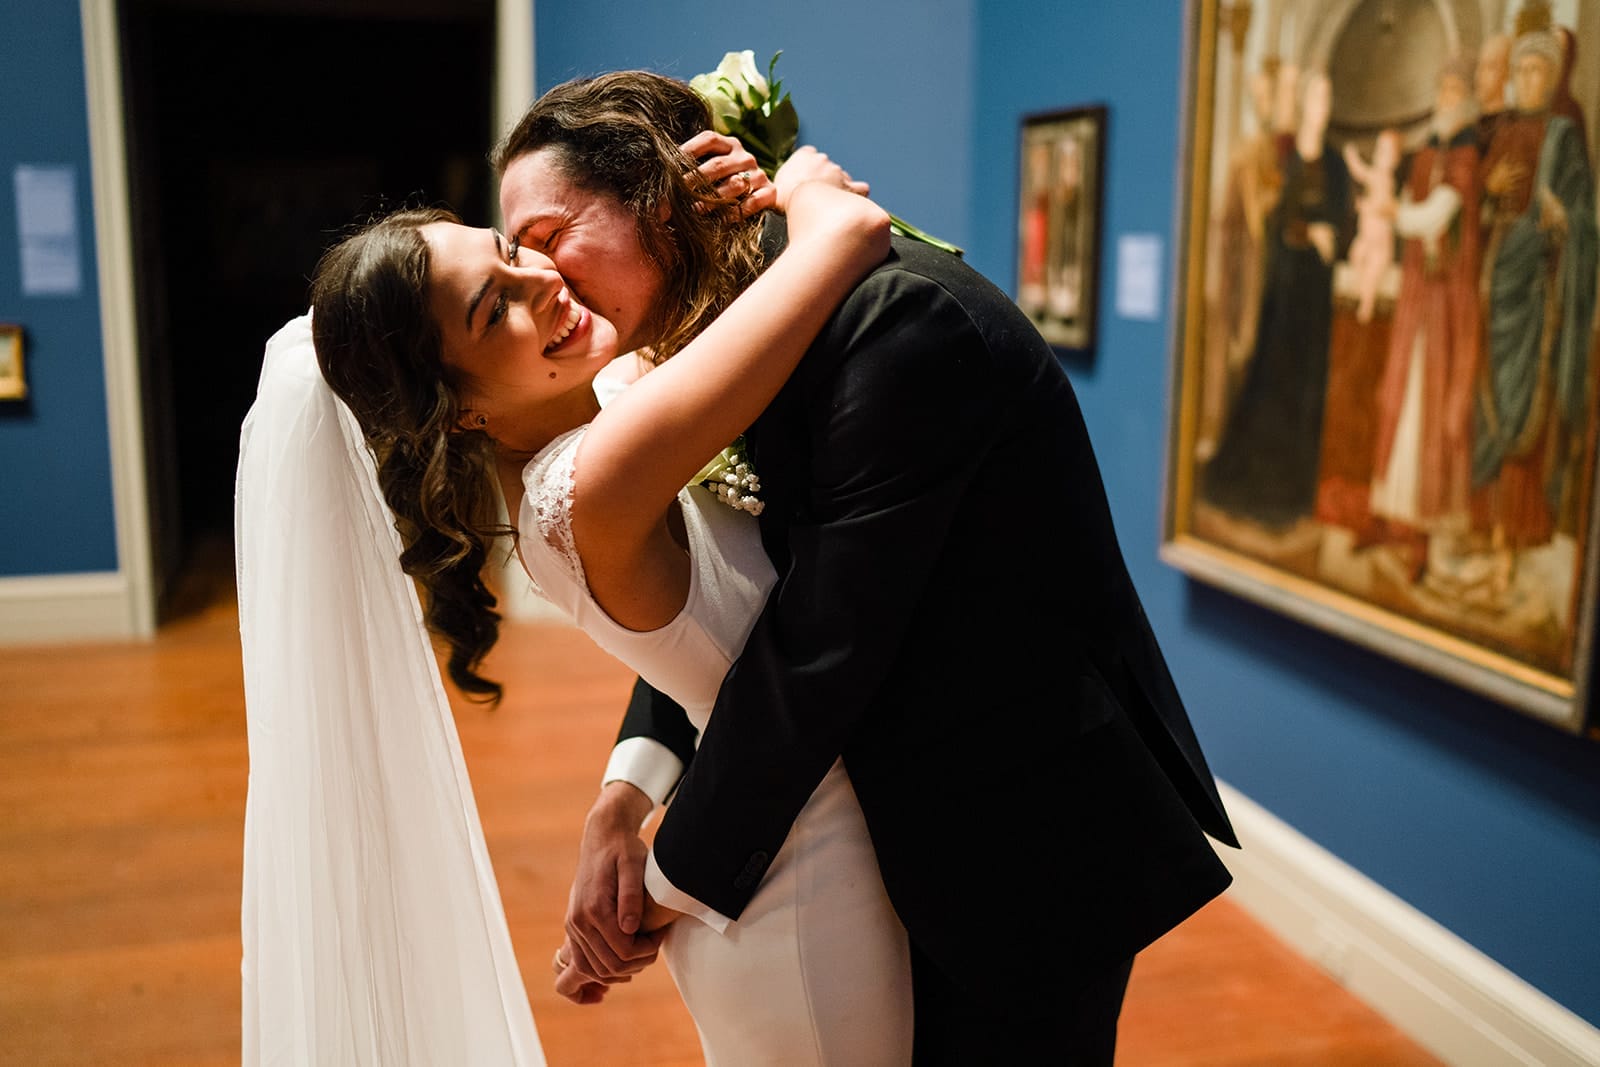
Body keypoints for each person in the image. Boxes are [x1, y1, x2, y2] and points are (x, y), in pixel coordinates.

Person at [497, 71, 1239, 1064]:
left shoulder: (900, 321)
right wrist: (625, 790)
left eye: (548, 239)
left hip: (1017, 835)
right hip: (878, 824)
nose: (545, 285)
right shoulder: (733, 327)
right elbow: (738, 592)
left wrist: (661, 881)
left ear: (655, 192)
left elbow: (818, 642)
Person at [239, 126, 901, 1063]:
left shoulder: (605, 410)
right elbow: (845, 241)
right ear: (458, 409)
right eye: (494, 310)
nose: (542, 283)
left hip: (781, 839)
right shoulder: (595, 481)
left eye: (514, 251)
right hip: (802, 892)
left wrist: (619, 801)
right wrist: (796, 184)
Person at [1473, 29, 1598, 591]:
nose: (1529, 80)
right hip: (1494, 285)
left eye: (1538, 72)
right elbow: (1473, 214)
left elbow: (1585, 219)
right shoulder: (1497, 130)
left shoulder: (1564, 137)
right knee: (1488, 407)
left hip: (1534, 295)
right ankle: (1486, 536)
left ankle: (1512, 546)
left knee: (1526, 412)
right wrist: (1486, 191)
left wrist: (1563, 219)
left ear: (1552, 80)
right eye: (1521, 71)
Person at [1201, 70, 1349, 530]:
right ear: (1304, 103)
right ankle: (1257, 491)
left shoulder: (1335, 162)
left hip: (1314, 297)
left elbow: (1346, 223)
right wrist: (1309, 232)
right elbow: (1271, 220)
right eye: (1315, 97)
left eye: (1328, 97)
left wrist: (1332, 236)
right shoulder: (1283, 158)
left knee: (1306, 390)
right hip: (1282, 291)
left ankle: (1291, 498)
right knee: (1273, 385)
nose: (1321, 106)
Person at [1365, 58, 1482, 580]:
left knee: (1431, 415)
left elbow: (1440, 212)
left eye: (1457, 88)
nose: (1448, 96)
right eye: (1444, 87)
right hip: (1417, 297)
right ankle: (1387, 514)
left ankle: (1421, 539)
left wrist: (1397, 216)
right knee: (1396, 401)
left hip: (1444, 306)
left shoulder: (1466, 153)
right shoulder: (1427, 150)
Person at [1342, 128, 1402, 325]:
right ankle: (1360, 290)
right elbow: (1361, 173)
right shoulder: (1377, 175)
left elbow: (1380, 205)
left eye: (1384, 152)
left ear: (1395, 160)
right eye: (1378, 149)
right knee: (1356, 255)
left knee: (1374, 271)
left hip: (1379, 240)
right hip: (1366, 237)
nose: (1378, 155)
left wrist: (1365, 206)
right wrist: (1351, 157)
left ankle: (1366, 302)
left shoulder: (1384, 179)